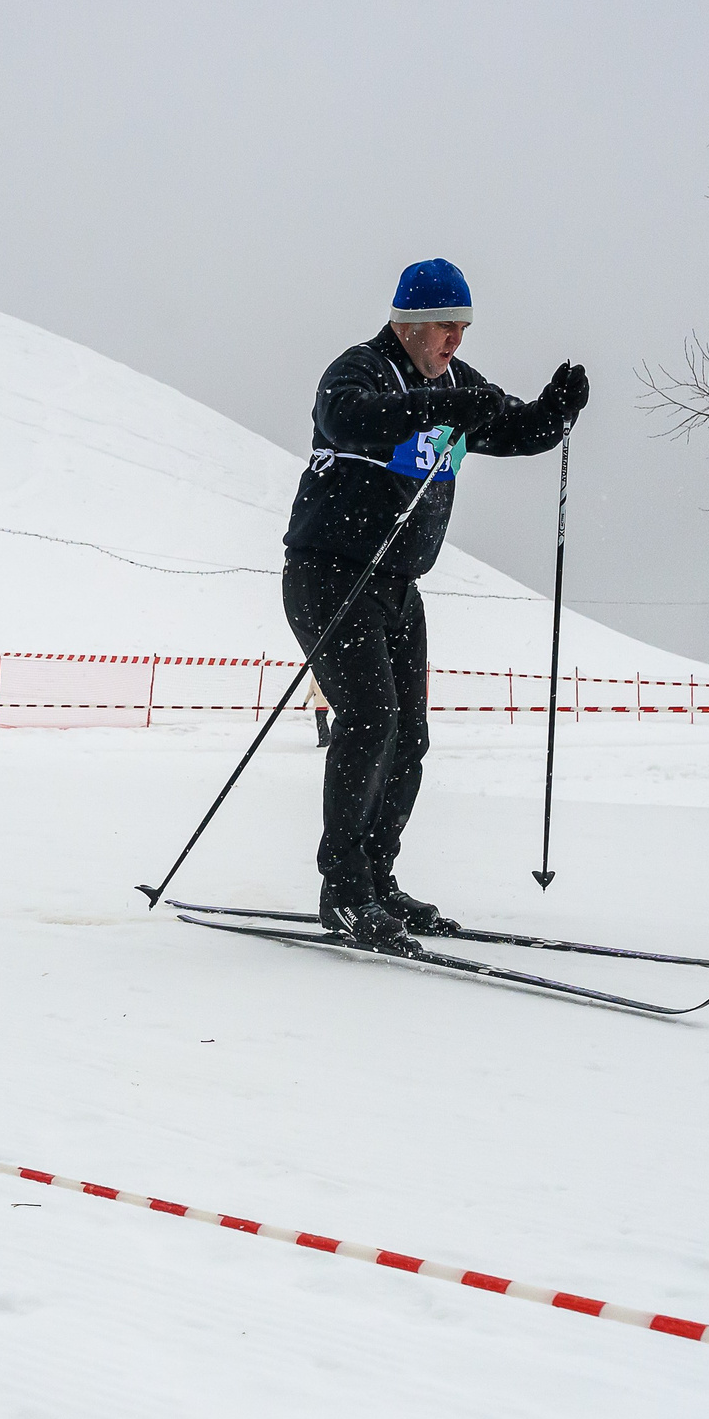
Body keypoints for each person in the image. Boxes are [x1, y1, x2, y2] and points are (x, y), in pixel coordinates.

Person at [283, 258, 587, 951]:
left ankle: (379, 877)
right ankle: (345, 887)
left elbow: (509, 427)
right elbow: (351, 421)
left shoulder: (455, 382)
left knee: (408, 736)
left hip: (396, 585)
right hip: (331, 574)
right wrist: (443, 409)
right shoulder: (360, 370)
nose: (456, 340)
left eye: (464, 327)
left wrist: (555, 411)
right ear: (410, 324)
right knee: (369, 719)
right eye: (447, 326)